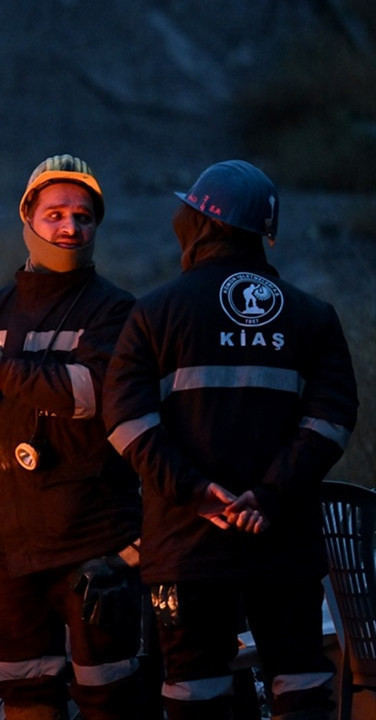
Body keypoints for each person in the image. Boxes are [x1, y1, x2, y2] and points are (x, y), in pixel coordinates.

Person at [103, 160, 358, 720]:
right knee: (302, 685)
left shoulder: (155, 312)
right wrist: (269, 497)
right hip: (283, 540)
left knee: (196, 692)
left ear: (199, 220)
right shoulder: (314, 316)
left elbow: (124, 420)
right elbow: (332, 420)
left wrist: (195, 493)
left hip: (187, 544)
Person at [0, 155, 143, 720]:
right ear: (27, 219)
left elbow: (92, 393)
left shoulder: (114, 310)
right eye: (55, 214)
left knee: (107, 691)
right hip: (6, 546)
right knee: (21, 687)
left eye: (83, 216)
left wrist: (3, 374)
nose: (70, 226)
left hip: (89, 543)